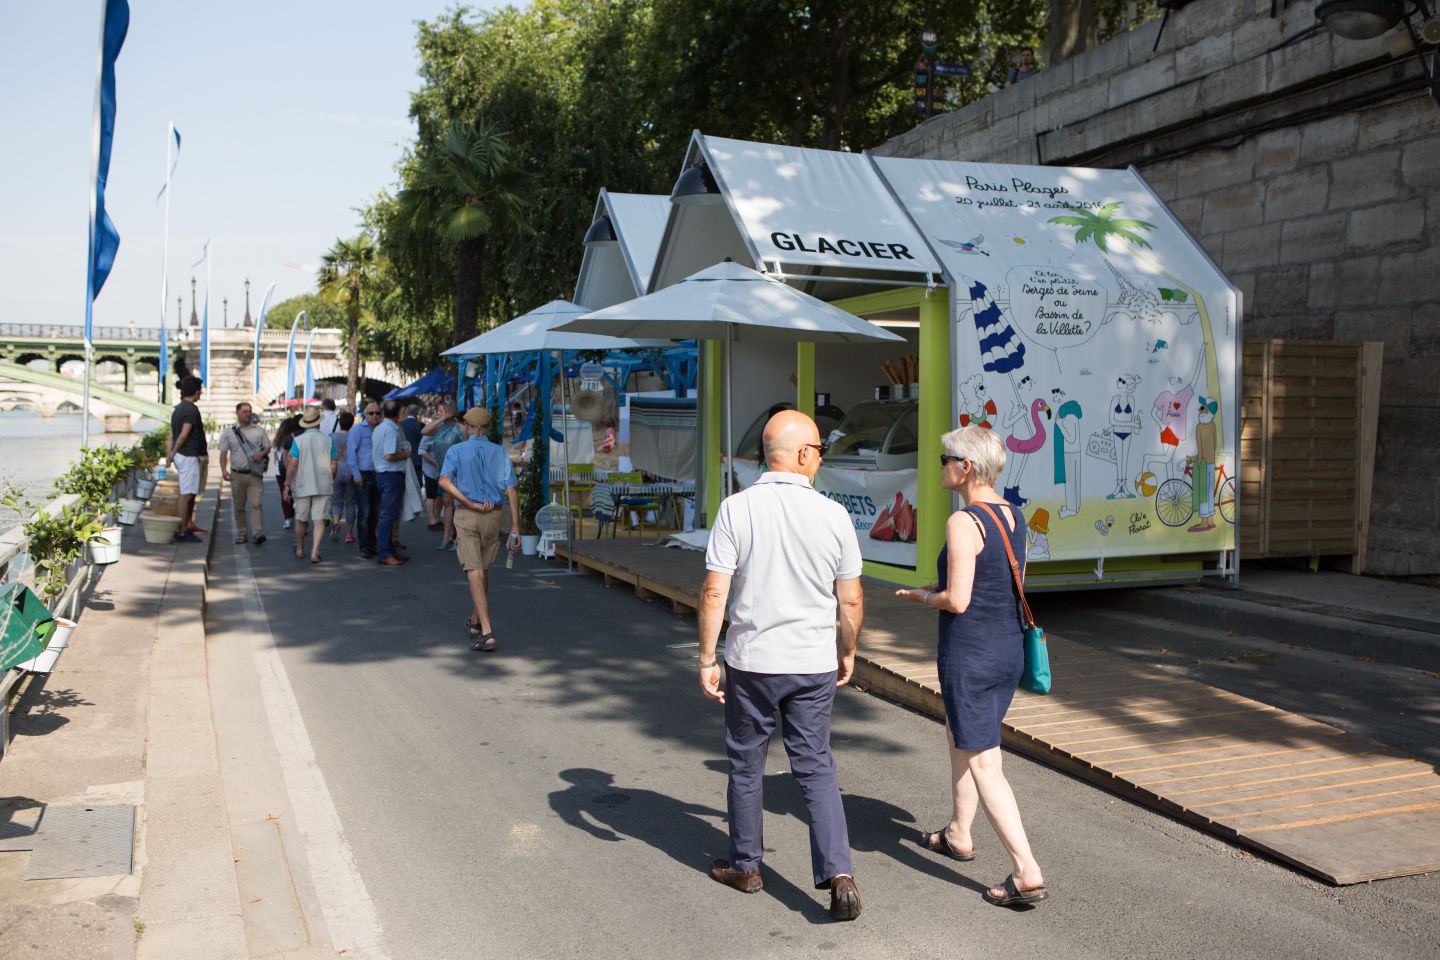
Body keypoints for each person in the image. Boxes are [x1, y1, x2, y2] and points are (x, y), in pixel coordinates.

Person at [697, 410, 864, 922]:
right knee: (815, 765)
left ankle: (747, 866)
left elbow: (714, 590)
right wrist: (848, 648)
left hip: (753, 661)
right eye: (817, 448)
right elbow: (851, 598)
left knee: (747, 765)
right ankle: (839, 873)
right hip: (812, 661)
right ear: (800, 454)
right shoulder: (834, 515)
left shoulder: (736, 509)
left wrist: (707, 656)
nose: (820, 457)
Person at [895, 425, 1048, 910]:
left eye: (946, 459)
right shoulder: (1012, 515)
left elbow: (957, 599)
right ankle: (960, 832)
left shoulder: (964, 522)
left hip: (971, 655)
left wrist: (923, 596)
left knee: (984, 760)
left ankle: (1026, 871)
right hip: (1007, 651)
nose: (940, 465)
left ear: (966, 468)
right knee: (962, 736)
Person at [438, 407, 520, 650]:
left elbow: (444, 481)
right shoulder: (500, 452)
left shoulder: (456, 450)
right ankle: (475, 621)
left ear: (469, 427)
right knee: (483, 569)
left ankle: (486, 630)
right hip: (493, 514)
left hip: (468, 514)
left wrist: (465, 501)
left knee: (473, 569)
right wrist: (515, 525)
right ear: (486, 428)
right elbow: (512, 489)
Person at [217, 402, 271, 546]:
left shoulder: (259, 431)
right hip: (237, 475)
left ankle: (257, 533)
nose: (247, 414)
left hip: (255, 474)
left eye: (249, 411)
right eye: (244, 411)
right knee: (239, 506)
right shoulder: (229, 432)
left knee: (256, 504)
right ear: (237, 413)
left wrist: (261, 454)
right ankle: (242, 533)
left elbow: (268, 447)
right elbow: (223, 453)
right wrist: (223, 470)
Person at [285, 407, 334, 564]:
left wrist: (287, 484)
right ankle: (315, 551)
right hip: (323, 484)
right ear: (318, 423)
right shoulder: (328, 440)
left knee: (301, 518)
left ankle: (300, 548)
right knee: (320, 519)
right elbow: (334, 466)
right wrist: (330, 477)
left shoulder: (298, 441)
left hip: (302, 484)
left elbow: (293, 464)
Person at [165, 375, 207, 543]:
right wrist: (173, 452)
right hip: (188, 455)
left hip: (182, 455)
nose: (201, 393)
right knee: (186, 494)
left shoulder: (178, 409)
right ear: (196, 392)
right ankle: (182, 531)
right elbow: (183, 435)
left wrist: (170, 454)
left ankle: (187, 525)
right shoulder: (191, 410)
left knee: (189, 492)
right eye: (200, 391)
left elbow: (172, 435)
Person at [371, 399, 412, 566]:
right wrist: (405, 454)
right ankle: (384, 553)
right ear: (398, 414)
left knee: (390, 514)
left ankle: (389, 550)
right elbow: (389, 455)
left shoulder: (380, 428)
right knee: (388, 516)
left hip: (383, 474)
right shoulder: (390, 430)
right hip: (391, 475)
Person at [423, 403, 465, 549]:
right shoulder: (439, 427)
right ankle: (447, 536)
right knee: (447, 503)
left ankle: (457, 537)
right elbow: (424, 431)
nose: (439, 412)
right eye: (438, 410)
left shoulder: (459, 427)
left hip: (458, 470)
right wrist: (440, 419)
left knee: (458, 504)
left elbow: (467, 446)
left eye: (442, 411)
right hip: (443, 470)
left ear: (450, 411)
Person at [347, 402, 381, 559]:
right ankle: (364, 546)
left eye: (377, 413)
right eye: (371, 413)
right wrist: (356, 474)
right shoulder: (357, 430)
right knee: (364, 512)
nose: (375, 416)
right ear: (365, 415)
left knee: (375, 512)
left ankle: (372, 543)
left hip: (379, 473)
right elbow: (351, 453)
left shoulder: (382, 429)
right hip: (363, 474)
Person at [329, 411, 357, 543]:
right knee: (351, 503)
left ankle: (335, 524)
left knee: (336, 501)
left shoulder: (331, 437)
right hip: (351, 472)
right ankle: (349, 534)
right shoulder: (354, 436)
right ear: (352, 423)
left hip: (336, 472)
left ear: (339, 423)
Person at [272, 415, 300, 530]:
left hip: (280, 471)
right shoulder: (294, 438)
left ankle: (288, 519)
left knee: (284, 494)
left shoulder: (277, 441)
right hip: (294, 470)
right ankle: (298, 518)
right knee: (296, 495)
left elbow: (275, 459)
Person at [401, 403, 425, 479]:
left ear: (407, 412)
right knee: (418, 483)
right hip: (418, 459)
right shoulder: (420, 425)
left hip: (404, 458)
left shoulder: (400, 425)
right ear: (417, 412)